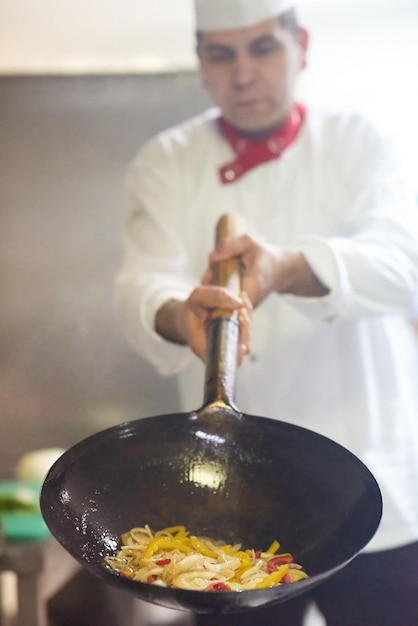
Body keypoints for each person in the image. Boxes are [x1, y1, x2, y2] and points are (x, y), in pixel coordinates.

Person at [115, 0, 418, 623]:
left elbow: (404, 261)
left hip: (378, 481)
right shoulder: (166, 159)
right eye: (221, 54)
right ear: (201, 62)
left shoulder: (361, 137)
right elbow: (139, 285)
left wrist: (288, 268)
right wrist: (179, 314)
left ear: (300, 45)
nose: (244, 74)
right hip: (232, 502)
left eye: (263, 49)